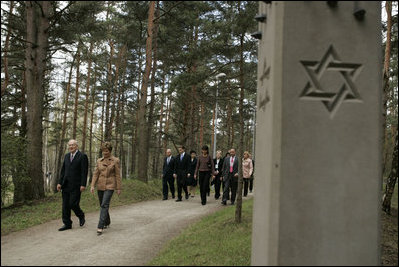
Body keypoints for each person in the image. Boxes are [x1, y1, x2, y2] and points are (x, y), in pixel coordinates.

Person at [90, 142, 122, 235]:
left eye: (107, 151)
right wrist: (92, 185)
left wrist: (118, 188)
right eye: (103, 151)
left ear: (110, 151)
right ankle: (107, 221)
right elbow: (96, 174)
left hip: (110, 185)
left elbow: (117, 175)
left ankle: (100, 226)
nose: (105, 153)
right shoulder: (99, 161)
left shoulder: (115, 160)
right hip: (100, 186)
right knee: (102, 204)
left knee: (104, 204)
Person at [57, 139, 89, 231]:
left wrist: (83, 184)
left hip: (76, 185)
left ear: (77, 146)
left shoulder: (82, 156)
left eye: (73, 145)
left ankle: (81, 215)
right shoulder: (67, 156)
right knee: (65, 205)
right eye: (69, 145)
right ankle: (67, 223)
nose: (71, 147)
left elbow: (84, 172)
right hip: (65, 184)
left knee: (73, 203)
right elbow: (63, 171)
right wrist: (59, 182)